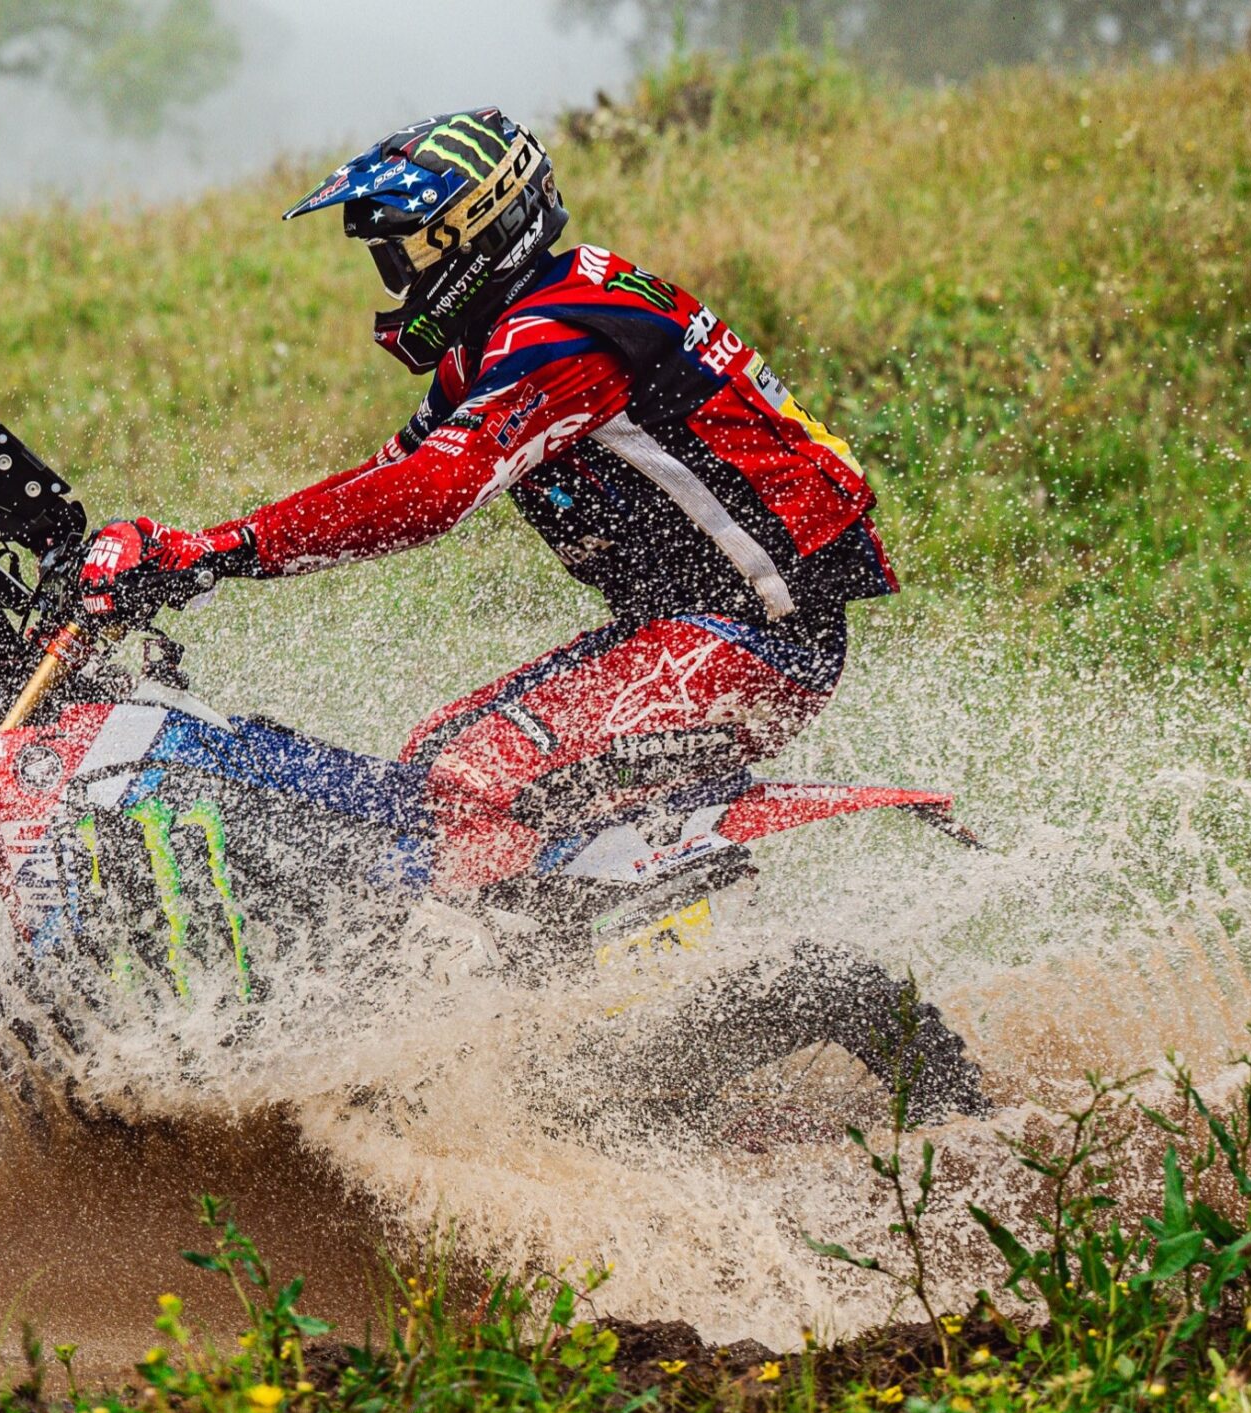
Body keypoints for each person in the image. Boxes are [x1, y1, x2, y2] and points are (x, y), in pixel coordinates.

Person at [80, 108, 899, 892]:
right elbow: (383, 476)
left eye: (402, 256)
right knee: (426, 766)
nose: (396, 278)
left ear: (470, 236)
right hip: (681, 633)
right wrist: (199, 551)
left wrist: (217, 552)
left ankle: (496, 1002)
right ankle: (545, 972)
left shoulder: (560, 333)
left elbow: (429, 495)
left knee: (468, 780)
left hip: (760, 643)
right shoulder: (500, 341)